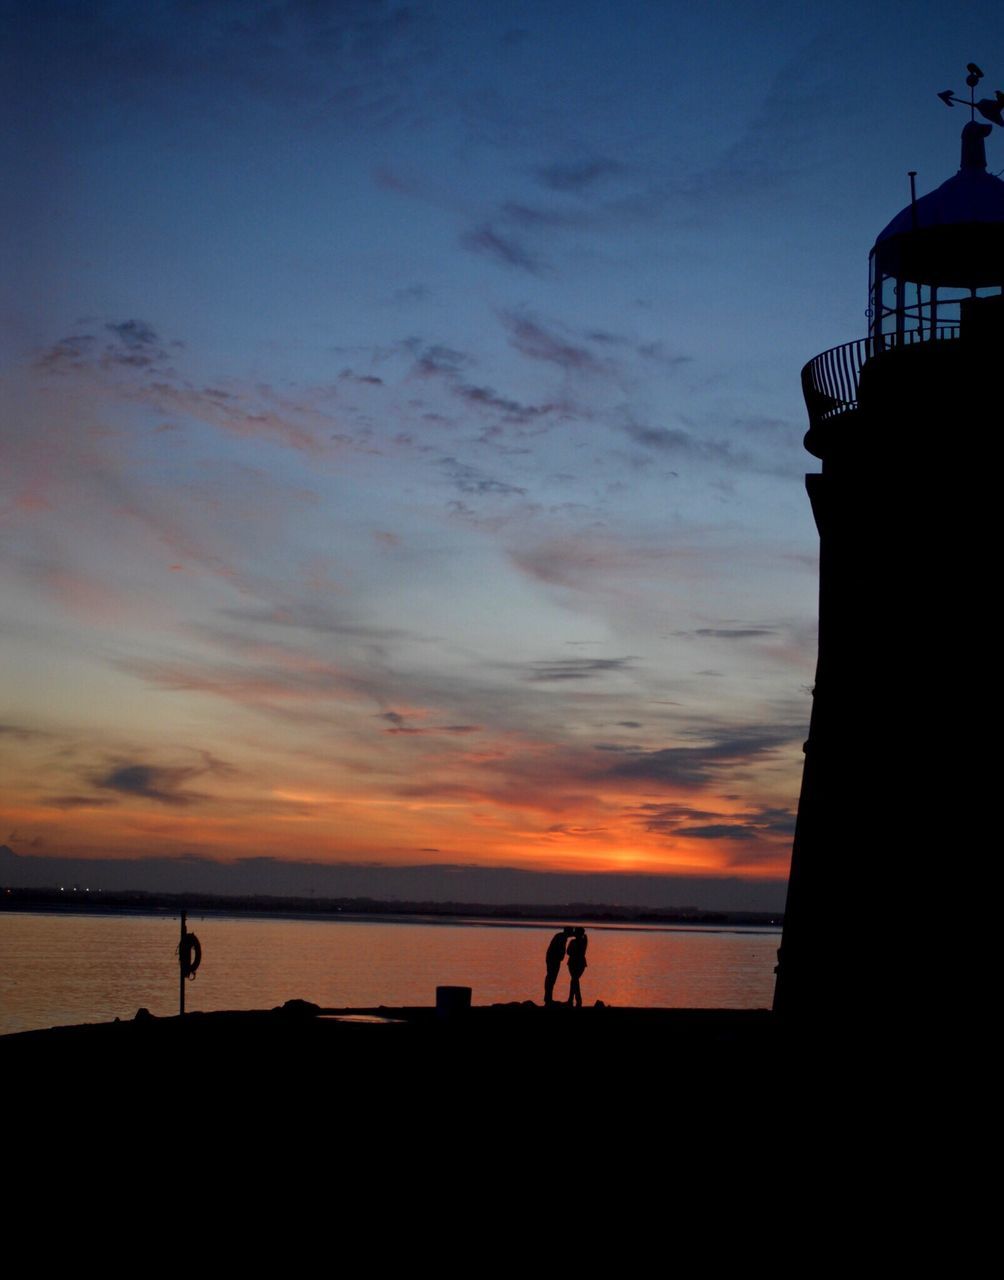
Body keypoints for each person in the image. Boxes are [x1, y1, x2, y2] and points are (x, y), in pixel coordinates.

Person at [544, 927, 573, 1005]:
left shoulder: (561, 936)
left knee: (550, 978)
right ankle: (548, 998)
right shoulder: (562, 938)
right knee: (551, 978)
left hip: (553, 958)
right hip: (553, 959)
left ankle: (548, 998)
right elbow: (559, 949)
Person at [566, 927, 588, 1007]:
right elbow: (568, 952)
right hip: (575, 963)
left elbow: (569, 952)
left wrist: (574, 952)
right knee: (574, 980)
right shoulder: (582, 941)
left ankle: (576, 1000)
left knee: (574, 980)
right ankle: (573, 1000)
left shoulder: (582, 942)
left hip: (577, 963)